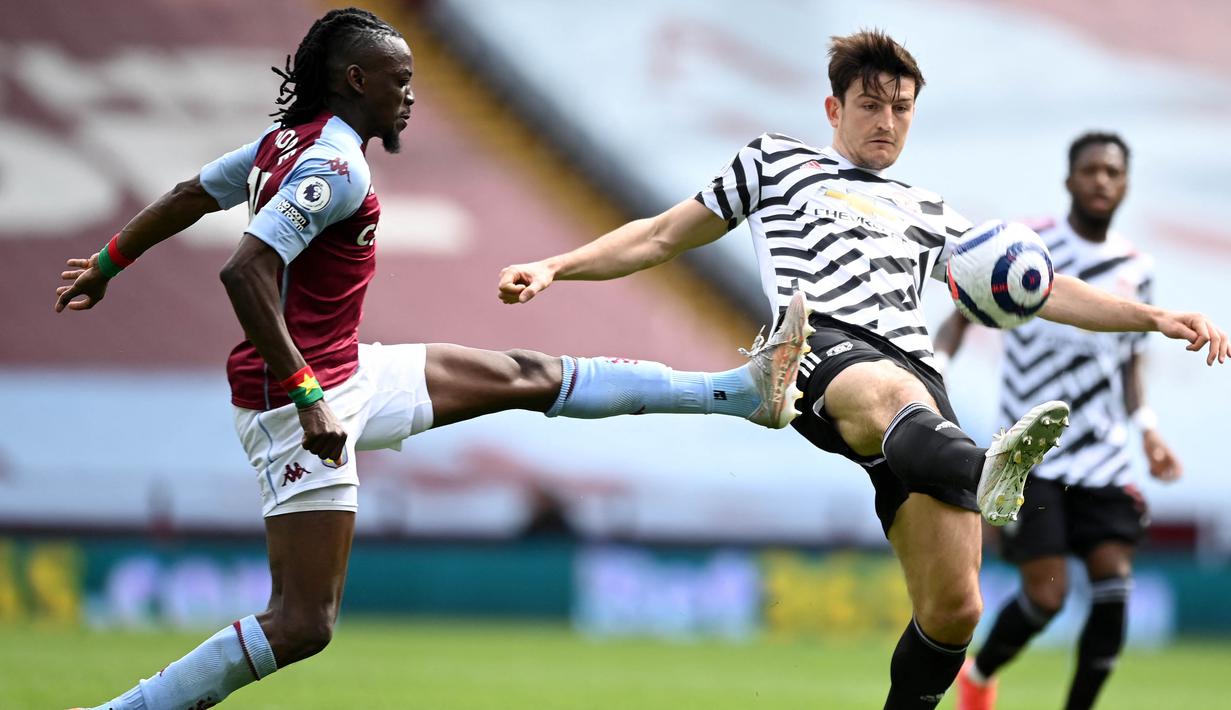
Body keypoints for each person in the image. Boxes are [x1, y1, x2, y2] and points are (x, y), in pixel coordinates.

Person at [53, 8, 813, 709]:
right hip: (296, 401)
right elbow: (243, 271)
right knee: (302, 623)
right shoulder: (332, 167)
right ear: (355, 81)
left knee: (525, 375)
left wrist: (108, 262)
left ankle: (740, 393)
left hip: (345, 371)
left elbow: (194, 192)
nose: (411, 97)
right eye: (400, 81)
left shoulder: (282, 145)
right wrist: (309, 395)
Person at [496, 31, 1228, 709]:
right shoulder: (772, 160)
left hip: (919, 384)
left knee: (954, 611)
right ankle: (984, 468)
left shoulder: (929, 209)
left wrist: (1154, 318)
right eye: (870, 105)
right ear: (833, 107)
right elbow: (659, 235)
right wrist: (556, 266)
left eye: (901, 109)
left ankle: (972, 478)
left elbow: (1040, 288)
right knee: (884, 394)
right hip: (815, 345)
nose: (886, 121)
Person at [943, 132, 1182, 710]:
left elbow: (1129, 361)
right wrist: (932, 375)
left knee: (1113, 588)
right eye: (1091, 170)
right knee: (1046, 598)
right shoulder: (1028, 247)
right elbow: (962, 312)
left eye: (1113, 172)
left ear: (1125, 184)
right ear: (1069, 180)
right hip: (1033, 456)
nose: (1102, 180)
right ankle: (980, 676)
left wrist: (1147, 427)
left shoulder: (1135, 267)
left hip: (1105, 454)